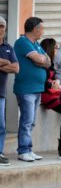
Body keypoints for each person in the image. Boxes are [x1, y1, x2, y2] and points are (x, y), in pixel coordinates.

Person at [14, 17, 51, 162]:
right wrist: (41, 60)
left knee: (32, 121)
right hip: (26, 89)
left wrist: (41, 60)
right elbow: (42, 60)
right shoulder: (22, 42)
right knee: (27, 120)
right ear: (35, 29)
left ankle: (28, 149)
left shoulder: (36, 44)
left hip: (36, 89)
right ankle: (23, 150)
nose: (43, 31)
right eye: (41, 28)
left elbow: (48, 62)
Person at [0, 16, 19, 166]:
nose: (0, 29)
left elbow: (16, 68)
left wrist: (4, 62)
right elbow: (10, 65)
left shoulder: (8, 48)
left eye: (2, 26)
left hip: (1, 93)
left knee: (1, 125)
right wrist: (6, 61)